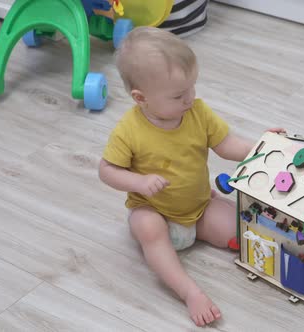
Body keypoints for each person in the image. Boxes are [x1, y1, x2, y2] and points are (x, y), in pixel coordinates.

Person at [98, 27, 284, 327]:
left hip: (197, 207)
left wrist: (261, 148)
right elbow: (106, 171)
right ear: (141, 97)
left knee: (240, 226)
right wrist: (139, 183)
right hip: (153, 209)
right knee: (147, 229)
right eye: (178, 95)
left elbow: (226, 145)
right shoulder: (128, 130)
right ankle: (189, 292)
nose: (190, 98)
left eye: (192, 88)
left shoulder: (197, 112)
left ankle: (238, 239)